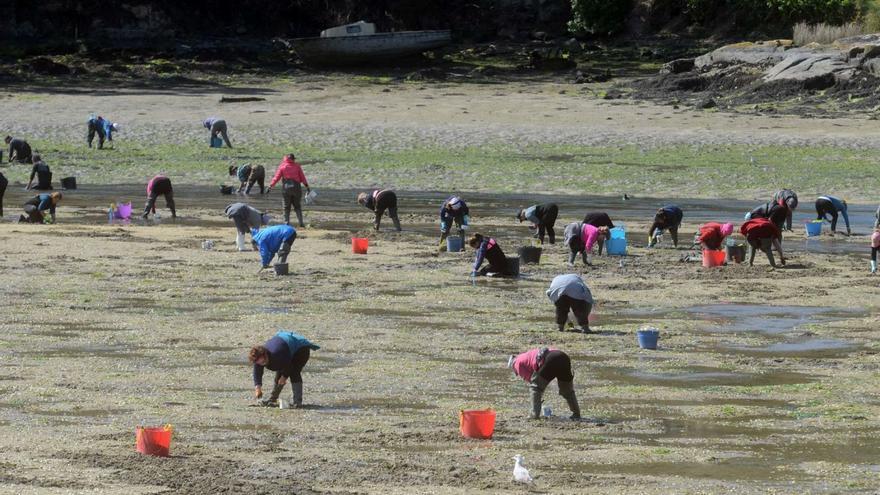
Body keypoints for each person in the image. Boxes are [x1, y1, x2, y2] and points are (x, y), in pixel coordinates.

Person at [249, 331, 320, 408]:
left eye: (264, 361)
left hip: (301, 349)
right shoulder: (257, 358)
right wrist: (258, 388)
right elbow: (257, 372)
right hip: (285, 347)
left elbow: (289, 366)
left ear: (265, 354)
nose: (263, 364)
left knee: (294, 372)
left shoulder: (277, 354)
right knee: (279, 372)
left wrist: (284, 377)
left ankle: (297, 402)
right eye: (260, 363)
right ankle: (272, 399)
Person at [509, 347, 580, 420]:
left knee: (535, 388)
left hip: (551, 359)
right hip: (563, 357)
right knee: (567, 391)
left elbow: (533, 381)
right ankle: (576, 414)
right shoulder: (527, 355)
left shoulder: (517, 363)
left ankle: (534, 415)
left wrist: (538, 397)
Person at [267, 154, 310, 227]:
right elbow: (302, 177)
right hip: (296, 188)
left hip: (286, 188)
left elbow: (276, 177)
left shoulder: (282, 166)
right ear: (293, 159)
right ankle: (301, 223)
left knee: (286, 207)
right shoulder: (297, 166)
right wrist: (307, 186)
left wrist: (270, 186)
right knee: (297, 206)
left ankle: (286, 223)